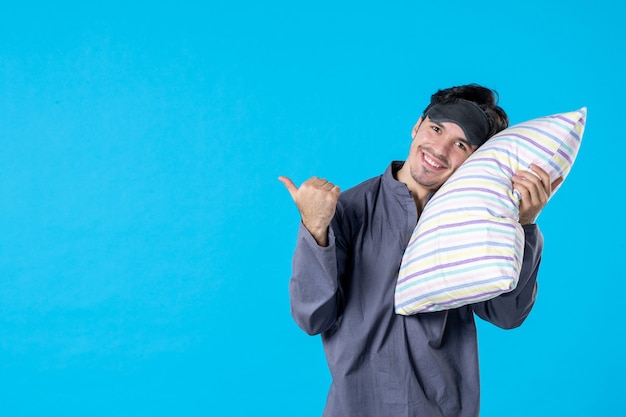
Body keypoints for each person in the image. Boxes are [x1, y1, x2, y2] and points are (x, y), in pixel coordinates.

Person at [278, 84, 560, 417]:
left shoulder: (476, 223)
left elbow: (506, 315)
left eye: (460, 144)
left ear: (476, 160)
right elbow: (312, 318)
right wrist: (314, 230)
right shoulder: (347, 210)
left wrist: (523, 225)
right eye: (436, 129)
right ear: (417, 126)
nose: (439, 150)